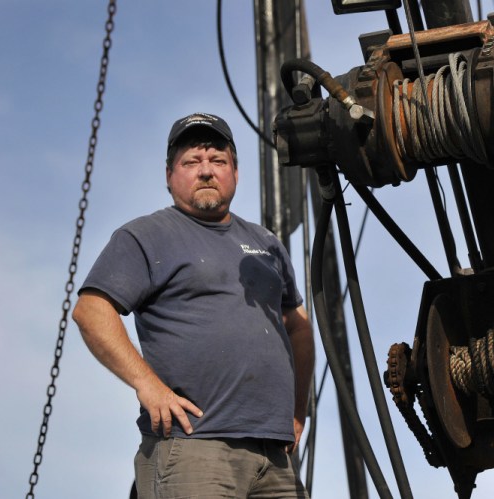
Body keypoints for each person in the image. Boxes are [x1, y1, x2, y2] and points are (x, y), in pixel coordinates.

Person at [72, 112, 314, 498]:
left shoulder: (267, 243)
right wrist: (148, 386)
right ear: (169, 175)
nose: (205, 171)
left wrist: (299, 410)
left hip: (275, 456)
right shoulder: (146, 236)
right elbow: (90, 310)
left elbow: (298, 325)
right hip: (194, 446)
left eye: (218, 161)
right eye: (191, 162)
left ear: (235, 172)